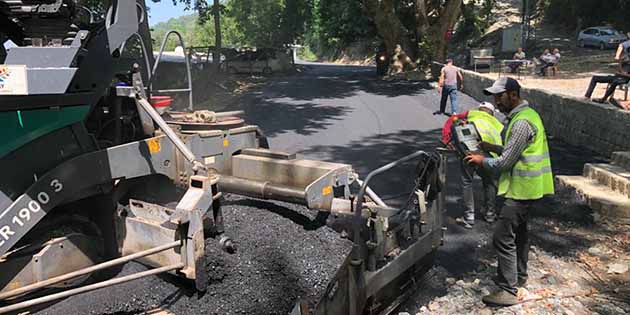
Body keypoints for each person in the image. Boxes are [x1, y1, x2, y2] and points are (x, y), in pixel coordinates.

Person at [464, 77, 555, 306]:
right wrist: (492, 147)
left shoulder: (522, 122)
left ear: (513, 94)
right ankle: (520, 277)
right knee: (520, 234)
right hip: (529, 187)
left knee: (502, 236)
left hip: (521, 189)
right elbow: (514, 149)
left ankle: (508, 290)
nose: (496, 101)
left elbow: (504, 163)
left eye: (499, 96)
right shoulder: (525, 116)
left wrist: (481, 160)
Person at [442, 102, 504, 228]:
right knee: (489, 182)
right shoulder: (497, 124)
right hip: (489, 153)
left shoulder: (471, 114)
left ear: (480, 109)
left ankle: (469, 217)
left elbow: (451, 120)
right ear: (491, 113)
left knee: (467, 182)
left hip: (469, 149)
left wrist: (446, 140)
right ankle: (490, 214)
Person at [584, 33, 630, 103]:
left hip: (624, 79)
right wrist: (619, 66)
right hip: (618, 76)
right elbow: (620, 66)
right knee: (595, 78)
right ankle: (587, 96)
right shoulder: (625, 58)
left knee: (615, 82)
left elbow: (627, 75)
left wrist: (622, 74)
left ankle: (603, 99)